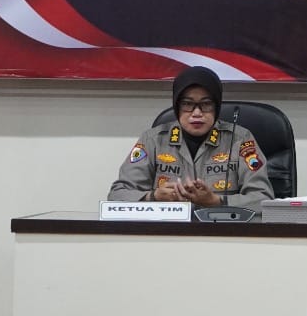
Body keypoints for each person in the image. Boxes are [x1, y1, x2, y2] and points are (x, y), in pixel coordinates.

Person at [108, 66, 275, 210]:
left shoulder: (240, 140)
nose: (197, 113)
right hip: (167, 231)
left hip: (222, 231)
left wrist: (217, 201)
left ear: (216, 107)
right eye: (187, 104)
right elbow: (117, 195)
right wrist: (153, 197)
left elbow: (263, 199)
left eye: (206, 104)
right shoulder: (153, 140)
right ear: (177, 106)